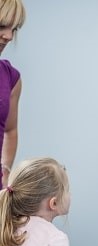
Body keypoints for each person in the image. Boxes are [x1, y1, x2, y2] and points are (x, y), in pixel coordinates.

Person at [0, 0, 24, 188]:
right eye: (2, 26)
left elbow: (10, 130)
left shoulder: (11, 77)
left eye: (14, 29)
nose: (8, 36)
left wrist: (5, 172)